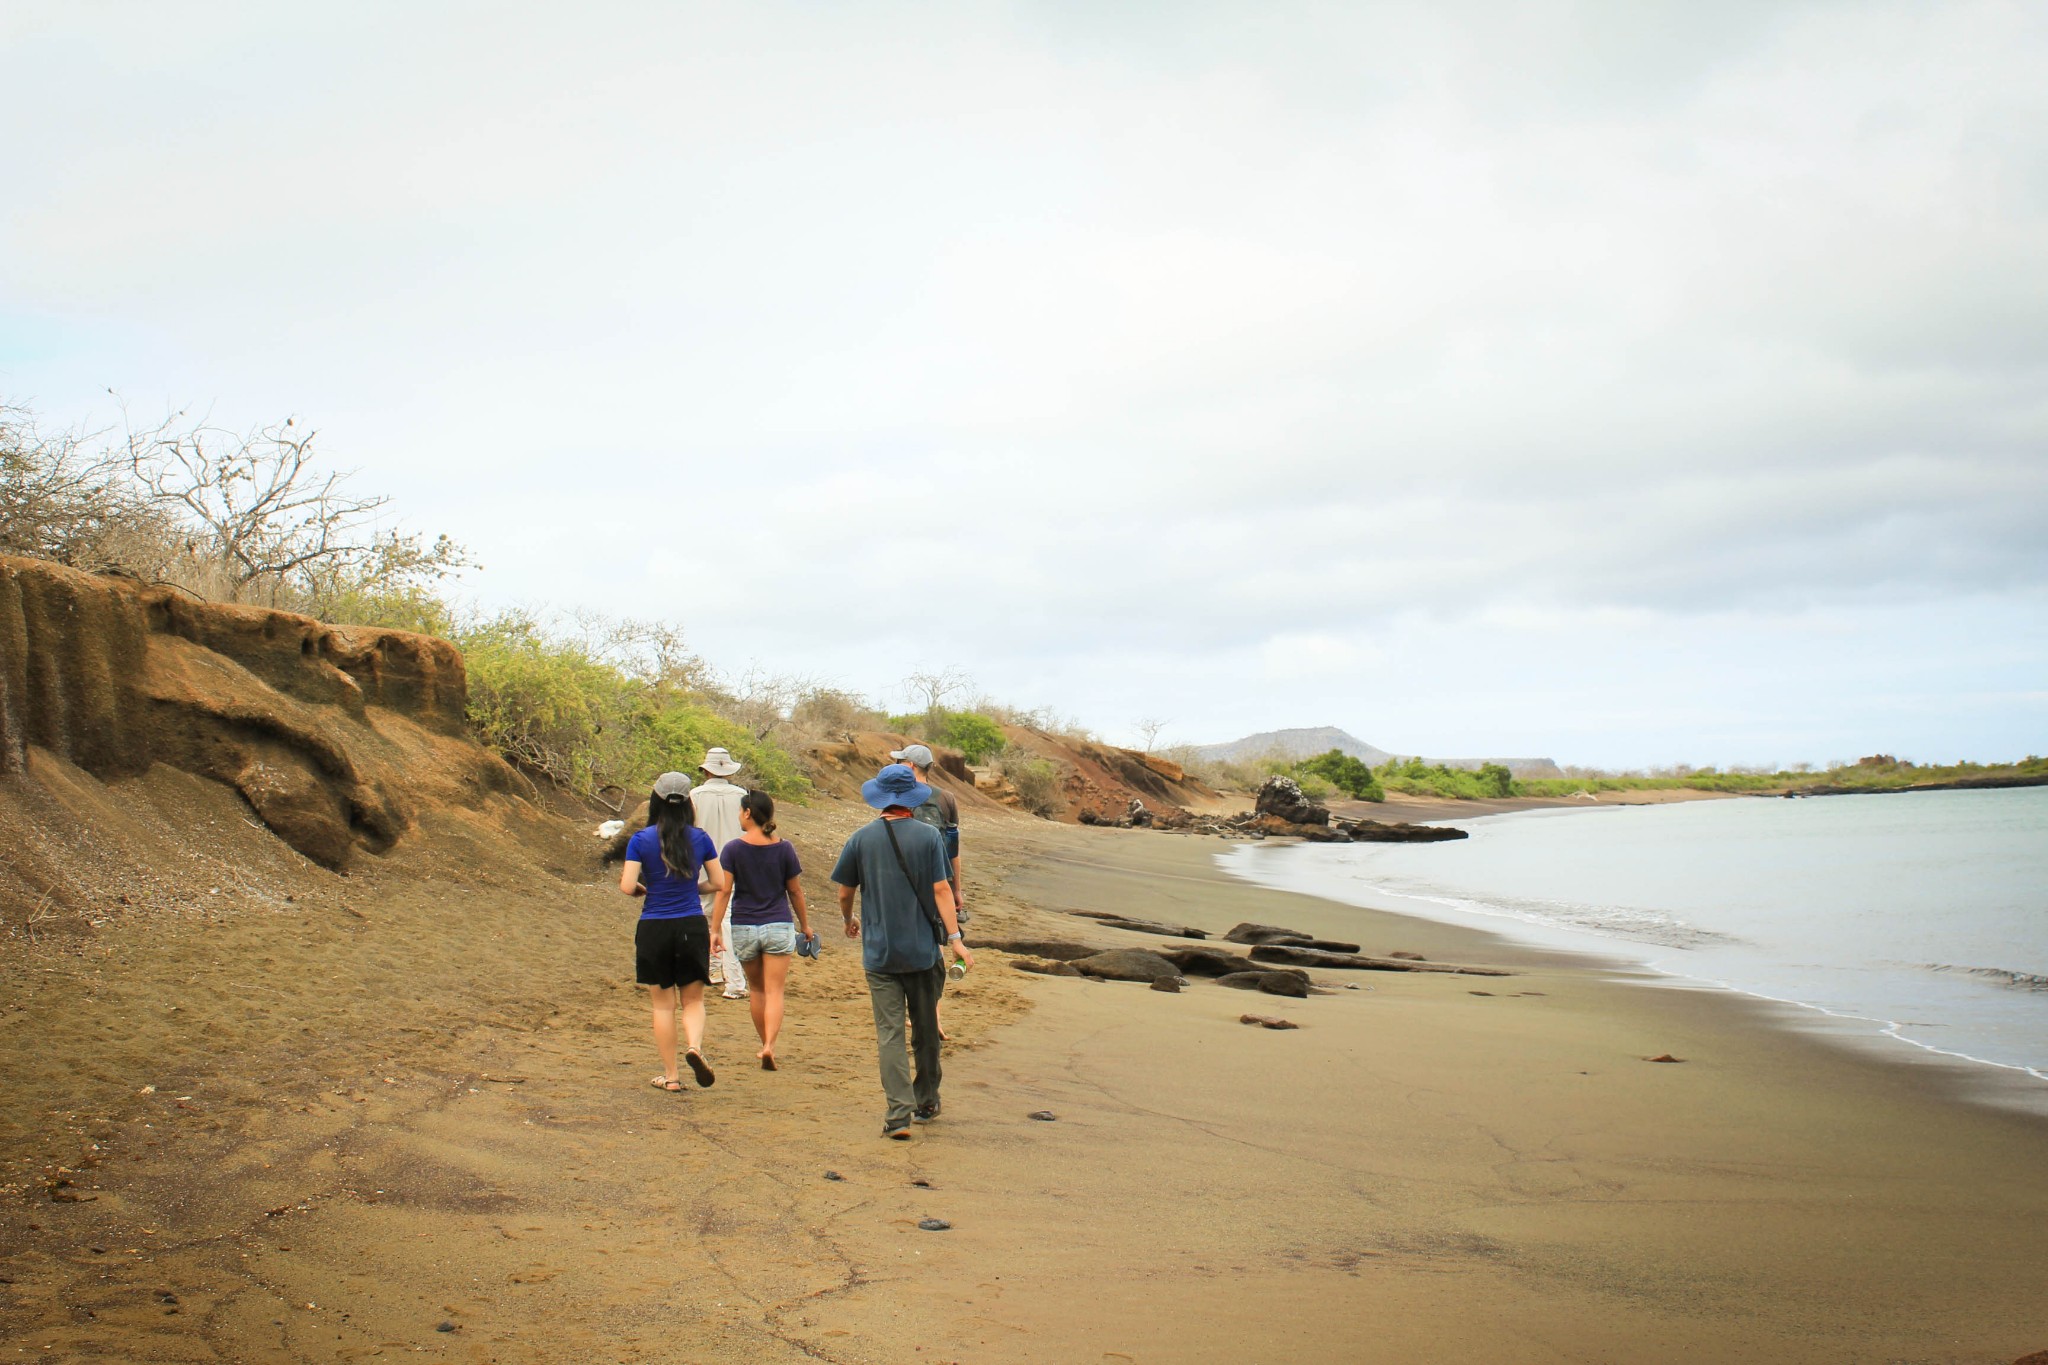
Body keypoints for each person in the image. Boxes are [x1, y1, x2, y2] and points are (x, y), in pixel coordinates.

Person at [830, 763, 974, 1139]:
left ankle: (897, 1114)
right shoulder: (929, 837)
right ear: (912, 800)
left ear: (880, 798)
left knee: (889, 1034)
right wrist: (955, 938)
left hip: (879, 954)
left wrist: (849, 920)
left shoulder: (860, 839)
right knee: (925, 1030)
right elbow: (942, 891)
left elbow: (845, 891)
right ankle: (926, 1100)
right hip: (923, 952)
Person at [620, 772, 725, 1092]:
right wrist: (694, 889)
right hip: (691, 924)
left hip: (654, 926)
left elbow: (627, 886)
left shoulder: (640, 840)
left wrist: (643, 890)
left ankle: (672, 1076)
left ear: (656, 802)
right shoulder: (701, 838)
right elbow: (719, 883)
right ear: (688, 805)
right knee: (693, 1002)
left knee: (663, 1006)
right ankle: (694, 1046)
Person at [708, 791, 813, 1071]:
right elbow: (795, 891)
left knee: (756, 990)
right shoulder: (784, 848)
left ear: (747, 813)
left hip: (744, 925)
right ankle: (770, 1046)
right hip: (778, 925)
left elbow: (724, 891)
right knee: (775, 990)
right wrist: (805, 926)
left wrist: (715, 929)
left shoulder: (733, 849)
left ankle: (763, 1042)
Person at [891, 742, 966, 1039]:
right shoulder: (946, 798)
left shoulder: (895, 797)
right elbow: (953, 850)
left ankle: (911, 1012)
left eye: (900, 762)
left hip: (900, 884)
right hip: (938, 884)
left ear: (910, 767)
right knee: (934, 948)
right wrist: (957, 890)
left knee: (899, 946)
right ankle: (932, 1016)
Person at [691, 747, 749, 1000]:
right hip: (736, 863)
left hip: (704, 863)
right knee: (728, 918)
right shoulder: (741, 796)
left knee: (707, 915)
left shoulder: (694, 795)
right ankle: (731, 977)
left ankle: (714, 970)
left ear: (705, 770)